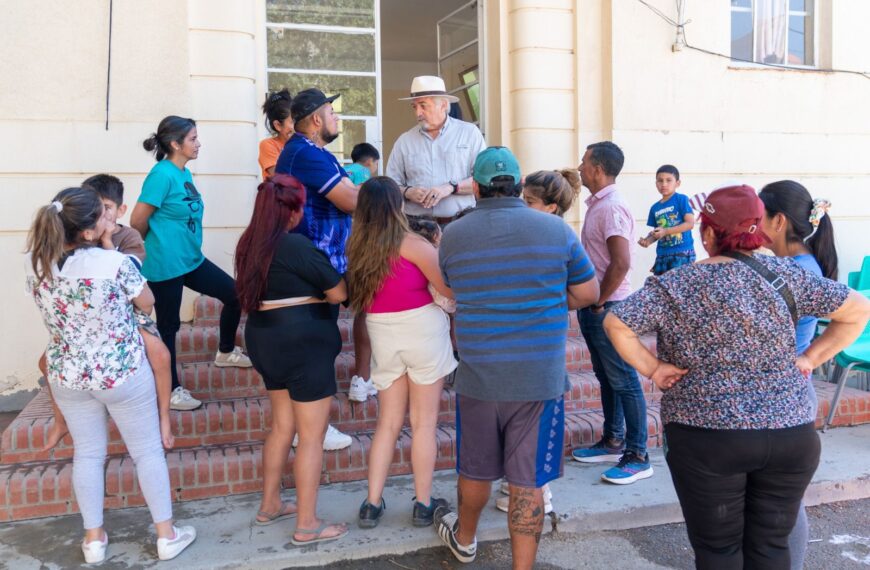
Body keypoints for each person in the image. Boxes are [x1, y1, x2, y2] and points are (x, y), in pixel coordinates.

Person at [604, 184, 870, 569]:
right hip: (789, 436)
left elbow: (617, 322)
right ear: (758, 230)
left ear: (707, 233)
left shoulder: (676, 284)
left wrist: (654, 369)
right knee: (772, 550)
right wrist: (810, 358)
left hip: (707, 438)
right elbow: (858, 309)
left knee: (719, 553)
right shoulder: (788, 275)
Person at [434, 147, 599, 569]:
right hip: (538, 379)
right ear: (520, 185)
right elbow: (587, 294)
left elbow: (453, 289)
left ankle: (465, 539)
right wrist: (543, 298)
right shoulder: (555, 231)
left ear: (475, 186)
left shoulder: (454, 234)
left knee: (473, 469)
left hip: (479, 376)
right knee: (528, 481)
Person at [25, 187, 196, 563]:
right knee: (147, 451)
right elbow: (147, 303)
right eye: (102, 217)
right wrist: (109, 250)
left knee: (87, 454)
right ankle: (166, 535)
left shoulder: (38, 265)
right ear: (87, 231)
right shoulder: (114, 263)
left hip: (68, 375)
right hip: (120, 373)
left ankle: (93, 540)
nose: (110, 220)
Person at [234, 174, 349, 545]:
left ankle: (269, 505)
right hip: (303, 341)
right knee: (311, 438)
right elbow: (338, 292)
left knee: (282, 427)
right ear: (293, 210)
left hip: (264, 338)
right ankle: (307, 524)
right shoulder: (296, 246)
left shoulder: (248, 245)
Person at [347, 177, 456, 529]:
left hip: (382, 332)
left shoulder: (358, 247)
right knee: (423, 423)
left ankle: (371, 502)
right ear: (398, 206)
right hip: (422, 328)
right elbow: (446, 287)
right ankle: (423, 504)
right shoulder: (413, 244)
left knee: (387, 423)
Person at [38, 174, 172, 451]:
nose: (102, 215)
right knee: (45, 362)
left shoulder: (128, 237)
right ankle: (61, 420)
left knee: (160, 355)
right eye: (96, 210)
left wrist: (108, 243)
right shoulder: (75, 240)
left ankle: (164, 417)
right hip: (90, 321)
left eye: (107, 208)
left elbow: (138, 291)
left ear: (120, 210)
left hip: (129, 316)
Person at [131, 116, 252, 412]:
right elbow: (137, 221)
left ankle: (225, 350)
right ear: (175, 144)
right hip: (164, 264)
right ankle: (170, 389)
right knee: (169, 326)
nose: (199, 144)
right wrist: (155, 247)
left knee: (236, 294)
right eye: (193, 139)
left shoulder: (184, 173)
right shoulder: (161, 174)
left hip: (190, 260)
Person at [483, 168, 583, 517]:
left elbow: (584, 290)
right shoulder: (527, 231)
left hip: (539, 348)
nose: (522, 207)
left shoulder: (560, 236)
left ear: (552, 207)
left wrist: (550, 300)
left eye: (529, 202)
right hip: (517, 345)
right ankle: (514, 484)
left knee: (537, 423)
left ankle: (539, 489)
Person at [759, 180, 838, 570]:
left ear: (778, 221)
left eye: (759, 214)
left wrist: (809, 358)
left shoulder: (797, 269)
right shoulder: (796, 264)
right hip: (784, 395)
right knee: (776, 499)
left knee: (785, 502)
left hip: (787, 396)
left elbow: (855, 313)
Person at [274, 88, 359, 446]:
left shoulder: (316, 152)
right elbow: (351, 198)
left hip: (321, 260)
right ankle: (314, 428)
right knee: (318, 350)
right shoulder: (304, 154)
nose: (337, 118)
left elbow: (350, 190)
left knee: (321, 347)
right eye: (332, 112)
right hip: (312, 264)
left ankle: (308, 426)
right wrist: (354, 189)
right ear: (315, 120)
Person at [570, 141, 652, 485]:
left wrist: (600, 300)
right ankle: (613, 440)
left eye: (585, 162)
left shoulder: (612, 207)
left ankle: (638, 455)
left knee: (624, 381)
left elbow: (621, 262)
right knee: (606, 377)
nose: (579, 167)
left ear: (599, 169)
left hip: (609, 306)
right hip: (599, 305)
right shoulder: (599, 205)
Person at [386, 75, 486, 224]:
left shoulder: (470, 133)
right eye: (415, 107)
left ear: (444, 105)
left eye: (423, 105)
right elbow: (390, 184)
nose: (418, 113)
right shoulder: (404, 141)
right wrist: (408, 192)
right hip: (416, 226)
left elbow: (483, 179)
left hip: (460, 223)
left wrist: (451, 187)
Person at [638, 165, 696, 275]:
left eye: (668, 180)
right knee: (662, 289)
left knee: (681, 288)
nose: (664, 184)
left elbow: (690, 223)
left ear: (677, 183)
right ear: (656, 184)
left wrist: (666, 231)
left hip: (682, 252)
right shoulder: (654, 208)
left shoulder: (681, 199)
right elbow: (658, 232)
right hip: (663, 255)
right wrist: (647, 241)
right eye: (660, 181)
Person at [258, 89, 295, 180]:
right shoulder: (268, 145)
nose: (297, 125)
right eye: (292, 121)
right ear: (278, 125)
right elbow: (280, 176)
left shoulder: (304, 143)